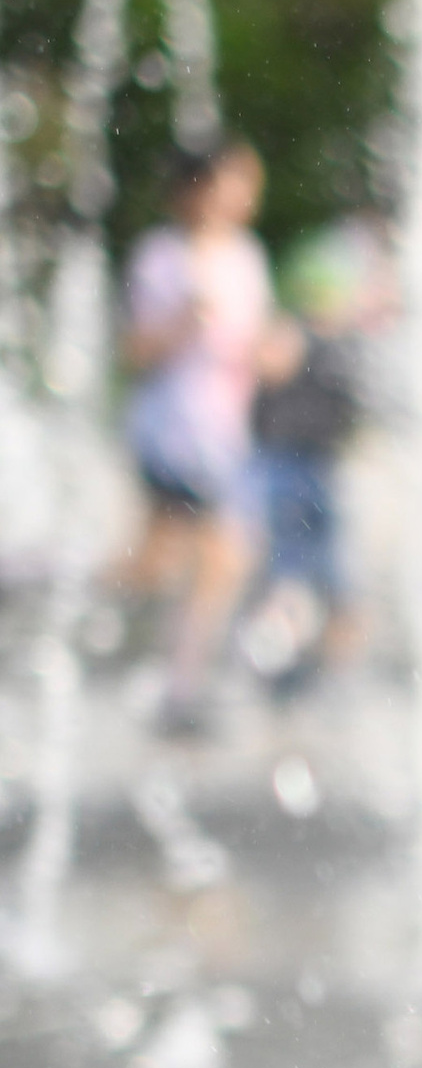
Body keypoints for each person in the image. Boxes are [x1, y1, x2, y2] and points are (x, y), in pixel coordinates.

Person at [118, 140, 298, 732]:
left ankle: (179, 684)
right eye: (237, 180)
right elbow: (135, 351)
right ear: (199, 189)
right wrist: (181, 324)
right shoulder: (160, 257)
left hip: (225, 436)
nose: (248, 193)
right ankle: (173, 681)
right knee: (205, 559)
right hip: (173, 434)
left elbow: (257, 351)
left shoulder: (246, 258)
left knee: (204, 561)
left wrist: (276, 351)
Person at [237, 217, 390, 697]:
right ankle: (278, 667)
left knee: (338, 589)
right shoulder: (295, 333)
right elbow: (263, 375)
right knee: (293, 578)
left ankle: (316, 677)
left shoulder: (347, 342)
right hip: (290, 470)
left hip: (325, 472)